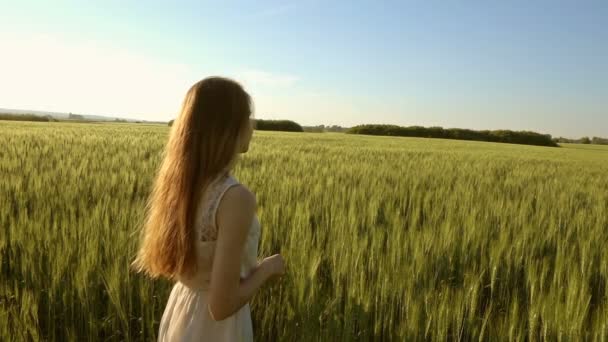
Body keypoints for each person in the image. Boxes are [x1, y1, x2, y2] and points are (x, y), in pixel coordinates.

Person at [131, 76, 286, 341]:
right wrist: (267, 269)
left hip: (182, 309)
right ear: (227, 127)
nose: (253, 124)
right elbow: (221, 306)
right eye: (247, 116)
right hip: (216, 331)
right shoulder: (236, 198)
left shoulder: (179, 186)